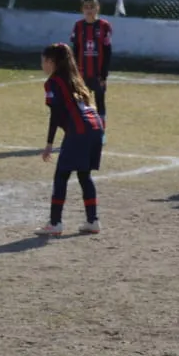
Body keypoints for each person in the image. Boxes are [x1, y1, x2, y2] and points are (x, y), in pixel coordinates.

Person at [35, 43, 105, 237]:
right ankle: (93, 220)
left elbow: (55, 114)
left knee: (61, 176)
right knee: (84, 174)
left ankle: (55, 223)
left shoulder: (53, 82)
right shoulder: (75, 79)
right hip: (95, 127)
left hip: (79, 131)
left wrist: (49, 143)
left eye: (43, 60)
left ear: (51, 62)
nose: (42, 64)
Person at [70, 0, 112, 137]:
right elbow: (75, 50)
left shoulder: (104, 26)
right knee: (81, 103)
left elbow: (107, 52)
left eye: (92, 7)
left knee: (100, 102)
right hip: (82, 73)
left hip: (97, 74)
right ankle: (82, 132)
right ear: (82, 9)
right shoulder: (78, 26)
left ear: (97, 8)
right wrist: (73, 72)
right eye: (86, 7)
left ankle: (101, 133)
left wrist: (104, 74)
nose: (89, 10)